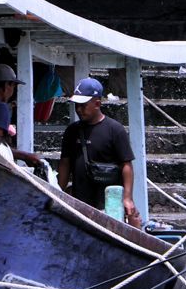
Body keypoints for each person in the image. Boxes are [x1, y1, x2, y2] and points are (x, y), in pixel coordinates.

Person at [58, 77, 141, 226]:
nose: (78, 109)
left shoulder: (115, 130)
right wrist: (58, 192)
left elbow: (126, 165)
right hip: (80, 201)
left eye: (83, 105)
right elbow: (65, 163)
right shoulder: (72, 131)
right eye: (77, 105)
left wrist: (127, 198)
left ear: (97, 104)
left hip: (109, 203)